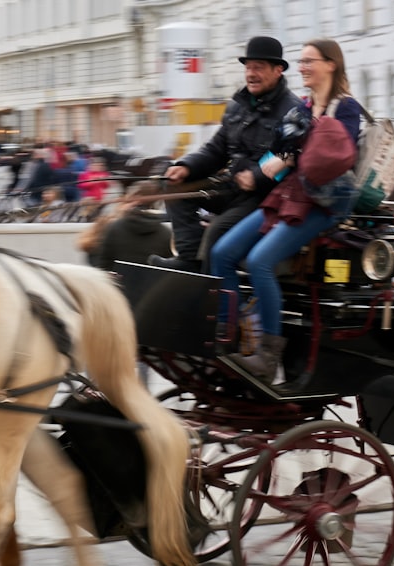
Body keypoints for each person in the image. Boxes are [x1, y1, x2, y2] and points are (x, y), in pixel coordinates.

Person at [211, 38, 362, 383]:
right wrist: (259, 169)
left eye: (310, 61)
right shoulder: (303, 108)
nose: (304, 67)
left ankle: (267, 357)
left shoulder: (346, 107)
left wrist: (288, 158)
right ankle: (228, 338)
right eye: (302, 61)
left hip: (325, 203)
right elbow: (276, 156)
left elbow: (336, 158)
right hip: (291, 195)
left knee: (260, 260)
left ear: (331, 65)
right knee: (222, 253)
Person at [152, 36, 302, 273]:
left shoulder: (293, 111)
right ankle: (189, 259)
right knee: (172, 186)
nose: (251, 74)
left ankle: (210, 299)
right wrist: (186, 167)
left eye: (259, 68)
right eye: (248, 67)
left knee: (216, 232)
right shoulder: (237, 106)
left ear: (278, 70)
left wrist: (256, 176)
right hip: (232, 188)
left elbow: (286, 156)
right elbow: (216, 149)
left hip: (262, 198)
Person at [96, 181, 173, 271]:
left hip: (119, 282)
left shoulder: (114, 227)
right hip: (153, 283)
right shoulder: (165, 233)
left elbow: (103, 264)